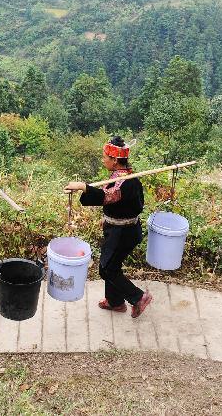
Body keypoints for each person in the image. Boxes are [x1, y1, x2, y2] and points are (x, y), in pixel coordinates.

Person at [66, 136, 152, 318]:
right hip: (119, 229)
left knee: (107, 269)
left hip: (123, 233)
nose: (103, 159)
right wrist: (107, 217)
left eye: (105, 157)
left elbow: (107, 196)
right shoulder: (123, 176)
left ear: (114, 160)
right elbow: (118, 204)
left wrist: (83, 186)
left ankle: (138, 297)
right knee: (112, 264)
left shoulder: (127, 182)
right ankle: (115, 302)